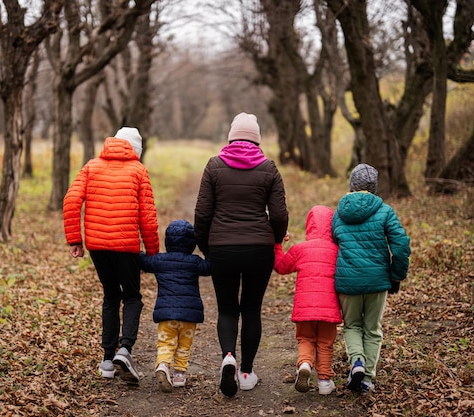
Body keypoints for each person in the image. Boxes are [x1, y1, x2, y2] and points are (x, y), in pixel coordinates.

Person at [194, 112, 289, 396]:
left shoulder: (213, 166)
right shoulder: (269, 168)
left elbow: (202, 214)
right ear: (257, 140)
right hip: (259, 249)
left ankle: (228, 358)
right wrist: (272, 239)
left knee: (226, 309)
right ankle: (246, 372)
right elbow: (280, 214)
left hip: (222, 248)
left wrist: (207, 247)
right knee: (251, 309)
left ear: (231, 136)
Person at [63, 127, 160, 385]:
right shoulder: (139, 171)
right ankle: (125, 350)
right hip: (126, 247)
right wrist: (152, 254)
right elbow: (147, 218)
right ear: (135, 151)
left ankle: (107, 360)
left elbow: (71, 200)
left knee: (110, 296)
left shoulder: (91, 167)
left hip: (97, 246)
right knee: (132, 297)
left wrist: (75, 239)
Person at [332, 163, 411, 394]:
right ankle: (366, 378)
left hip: (348, 282)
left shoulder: (339, 213)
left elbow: (335, 242)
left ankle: (356, 360)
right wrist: (396, 276)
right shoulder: (385, 211)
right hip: (377, 280)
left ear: (351, 186)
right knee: (372, 329)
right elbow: (401, 245)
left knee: (352, 325)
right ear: (374, 187)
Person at [274, 205, 342, 395]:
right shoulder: (337, 250)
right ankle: (325, 382)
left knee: (305, 338)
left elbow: (281, 266)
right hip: (329, 308)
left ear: (309, 225)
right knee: (326, 343)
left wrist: (277, 245)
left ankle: (304, 363)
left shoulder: (300, 249)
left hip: (305, 309)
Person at [139, 219, 211, 393]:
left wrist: (137, 251)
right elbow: (210, 267)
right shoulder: (194, 262)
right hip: (189, 317)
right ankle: (179, 374)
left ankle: (163, 365)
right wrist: (207, 249)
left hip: (167, 314)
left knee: (165, 343)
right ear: (192, 243)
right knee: (184, 345)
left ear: (167, 240)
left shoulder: (160, 260)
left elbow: (143, 262)